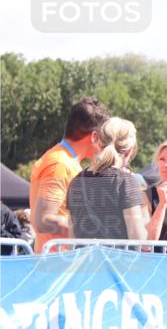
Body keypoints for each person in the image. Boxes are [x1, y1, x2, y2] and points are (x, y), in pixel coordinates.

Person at [29, 96, 110, 252]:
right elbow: (43, 220)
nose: (104, 146)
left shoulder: (63, 160)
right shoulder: (59, 163)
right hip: (56, 267)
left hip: (63, 265)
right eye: (103, 139)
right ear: (93, 136)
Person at [67, 118, 147, 241]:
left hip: (84, 259)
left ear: (98, 144)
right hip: (119, 259)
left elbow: (72, 236)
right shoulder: (125, 181)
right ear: (129, 151)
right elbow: (138, 238)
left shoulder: (76, 182)